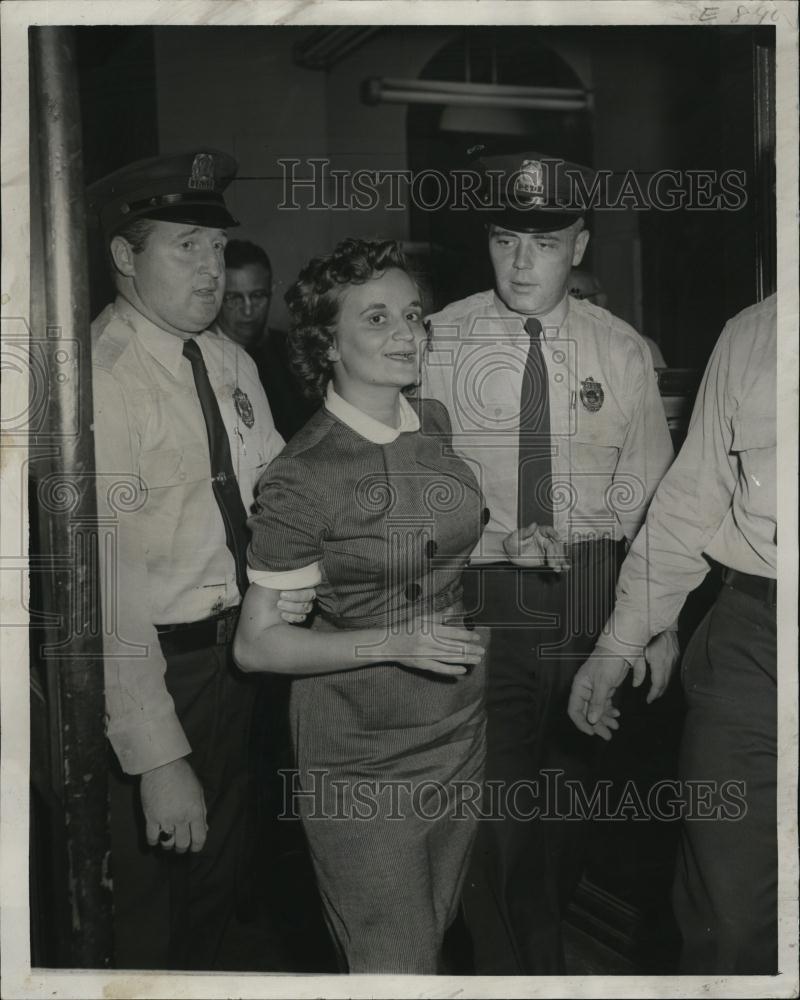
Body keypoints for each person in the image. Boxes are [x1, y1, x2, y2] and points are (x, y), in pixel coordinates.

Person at [423, 148, 678, 974]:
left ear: (580, 244)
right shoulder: (437, 344)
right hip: (479, 596)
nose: (521, 262)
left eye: (544, 242)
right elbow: (411, 491)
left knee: (566, 809)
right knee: (492, 810)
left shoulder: (623, 352)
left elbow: (655, 505)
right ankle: (516, 973)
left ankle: (539, 950)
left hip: (593, 600)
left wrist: (655, 623)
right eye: (504, 240)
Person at [233, 238, 488, 974]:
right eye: (377, 319)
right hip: (361, 755)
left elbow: (430, 548)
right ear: (328, 343)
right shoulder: (303, 474)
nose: (408, 334)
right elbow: (255, 646)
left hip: (455, 729)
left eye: (414, 315)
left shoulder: (431, 423)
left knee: (429, 947)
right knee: (393, 962)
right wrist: (394, 643)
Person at [87, 150, 311, 970]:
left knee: (220, 884)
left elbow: (278, 498)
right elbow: (104, 590)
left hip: (237, 663)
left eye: (218, 249)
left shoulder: (227, 361)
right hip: (156, 672)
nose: (212, 270)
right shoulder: (102, 381)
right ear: (124, 256)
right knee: (151, 911)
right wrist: (158, 757)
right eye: (186, 247)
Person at [568, 293, 778, 974]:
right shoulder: (755, 332)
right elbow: (690, 499)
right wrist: (618, 644)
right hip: (754, 636)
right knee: (730, 914)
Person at [216, 239, 316, 439]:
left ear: (272, 291)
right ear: (216, 295)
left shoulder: (296, 351)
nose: (247, 310)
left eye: (257, 296)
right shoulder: (199, 359)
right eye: (234, 298)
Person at [568, 267, 668, 367]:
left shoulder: (637, 346)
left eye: (578, 296)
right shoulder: (558, 346)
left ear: (600, 300)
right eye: (564, 299)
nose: (571, 305)